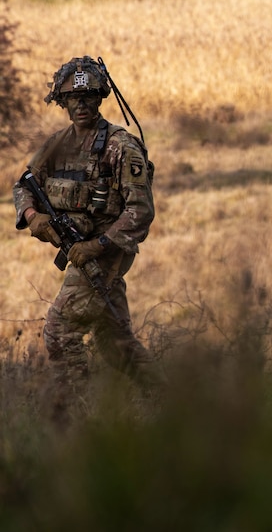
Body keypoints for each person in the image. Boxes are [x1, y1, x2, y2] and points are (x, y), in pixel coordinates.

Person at [13, 56, 158, 395]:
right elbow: (24, 184)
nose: (82, 104)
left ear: (101, 98)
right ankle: (167, 400)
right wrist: (33, 217)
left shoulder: (120, 147)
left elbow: (140, 210)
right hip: (78, 251)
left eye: (90, 96)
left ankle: (78, 412)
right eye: (74, 98)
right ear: (62, 102)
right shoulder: (57, 144)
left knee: (59, 331)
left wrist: (96, 246)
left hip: (104, 254)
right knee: (116, 345)